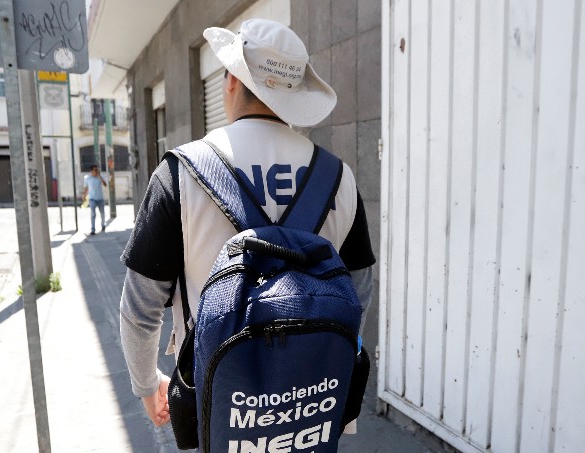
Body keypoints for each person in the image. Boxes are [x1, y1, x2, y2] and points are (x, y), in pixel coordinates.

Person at [119, 18, 375, 435]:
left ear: (231, 80)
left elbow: (141, 307)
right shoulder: (339, 177)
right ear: (294, 97)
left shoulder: (180, 173)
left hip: (219, 401)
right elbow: (359, 291)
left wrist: (147, 386)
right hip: (309, 404)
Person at [82, 164, 107, 235]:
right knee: (93, 214)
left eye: (97, 170)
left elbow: (105, 184)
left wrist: (99, 177)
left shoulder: (100, 177)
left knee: (102, 213)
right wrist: (84, 195)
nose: (96, 171)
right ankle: (93, 229)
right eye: (95, 170)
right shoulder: (87, 178)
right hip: (92, 199)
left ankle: (103, 225)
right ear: (91, 171)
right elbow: (86, 187)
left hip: (100, 198)